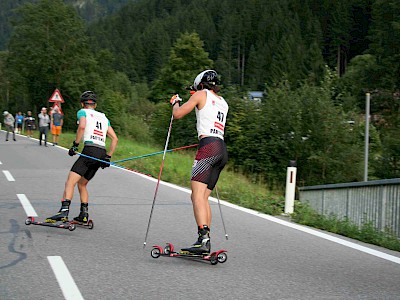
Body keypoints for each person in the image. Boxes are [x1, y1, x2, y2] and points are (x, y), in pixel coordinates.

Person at [170, 70, 229, 254]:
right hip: (221, 148)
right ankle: (206, 239)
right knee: (204, 197)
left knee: (196, 195)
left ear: (200, 85)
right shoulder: (223, 102)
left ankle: (203, 239)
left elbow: (178, 114)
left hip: (208, 147)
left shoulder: (200, 95)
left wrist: (175, 102)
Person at [46, 91, 118, 224]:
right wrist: (108, 157)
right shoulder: (103, 117)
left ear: (82, 103)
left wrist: (75, 145)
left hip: (89, 150)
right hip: (101, 152)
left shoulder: (82, 112)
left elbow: (82, 126)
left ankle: (63, 212)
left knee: (70, 182)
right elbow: (115, 138)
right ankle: (83, 215)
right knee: (82, 184)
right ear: (95, 104)